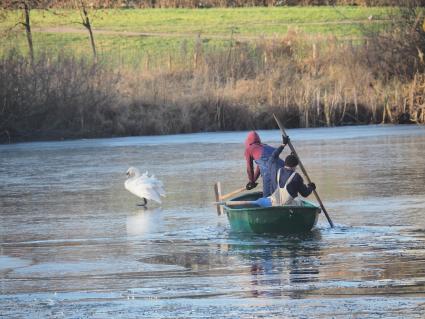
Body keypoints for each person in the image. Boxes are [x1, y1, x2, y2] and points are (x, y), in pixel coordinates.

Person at [244, 131, 289, 197]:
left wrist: (251, 181)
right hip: (284, 170)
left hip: (270, 172)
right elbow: (260, 166)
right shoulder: (265, 146)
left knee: (267, 197)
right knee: (280, 195)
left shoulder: (249, 149)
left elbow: (249, 168)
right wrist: (253, 180)